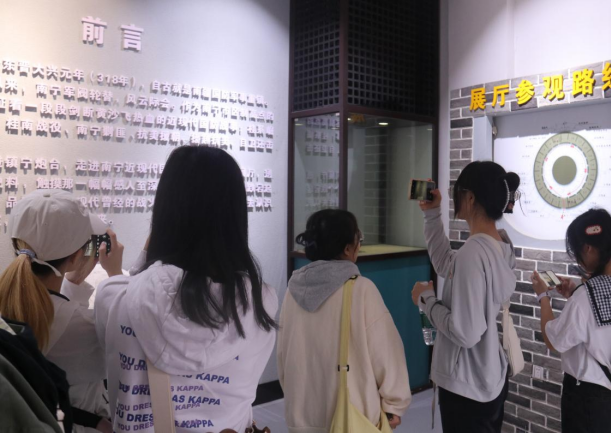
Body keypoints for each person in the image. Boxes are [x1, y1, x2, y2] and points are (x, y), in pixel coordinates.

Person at [95, 146, 279, 433]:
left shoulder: (114, 296)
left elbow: (140, 305)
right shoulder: (261, 302)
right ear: (236, 215)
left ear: (164, 212)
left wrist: (132, 265)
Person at [277, 209, 411, 432]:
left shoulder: (293, 291)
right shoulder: (361, 289)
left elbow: (283, 355)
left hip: (301, 415)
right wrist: (394, 405)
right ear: (348, 248)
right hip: (350, 417)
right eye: (359, 238)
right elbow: (387, 354)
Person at [411, 161, 520, 433]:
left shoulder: (473, 253)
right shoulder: (500, 246)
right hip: (490, 377)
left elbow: (465, 333)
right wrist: (432, 214)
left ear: (470, 198)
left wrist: (427, 301)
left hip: (465, 387)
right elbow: (447, 263)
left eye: (455, 192)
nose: (453, 198)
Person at [0, 189, 118, 432]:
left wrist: (73, 283)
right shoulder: (83, 326)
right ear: (75, 257)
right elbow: (128, 348)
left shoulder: (9, 297)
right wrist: (116, 275)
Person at [532, 209, 611, 433]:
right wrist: (575, 291)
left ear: (588, 248)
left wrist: (543, 297)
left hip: (590, 403)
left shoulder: (586, 297)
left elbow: (554, 341)